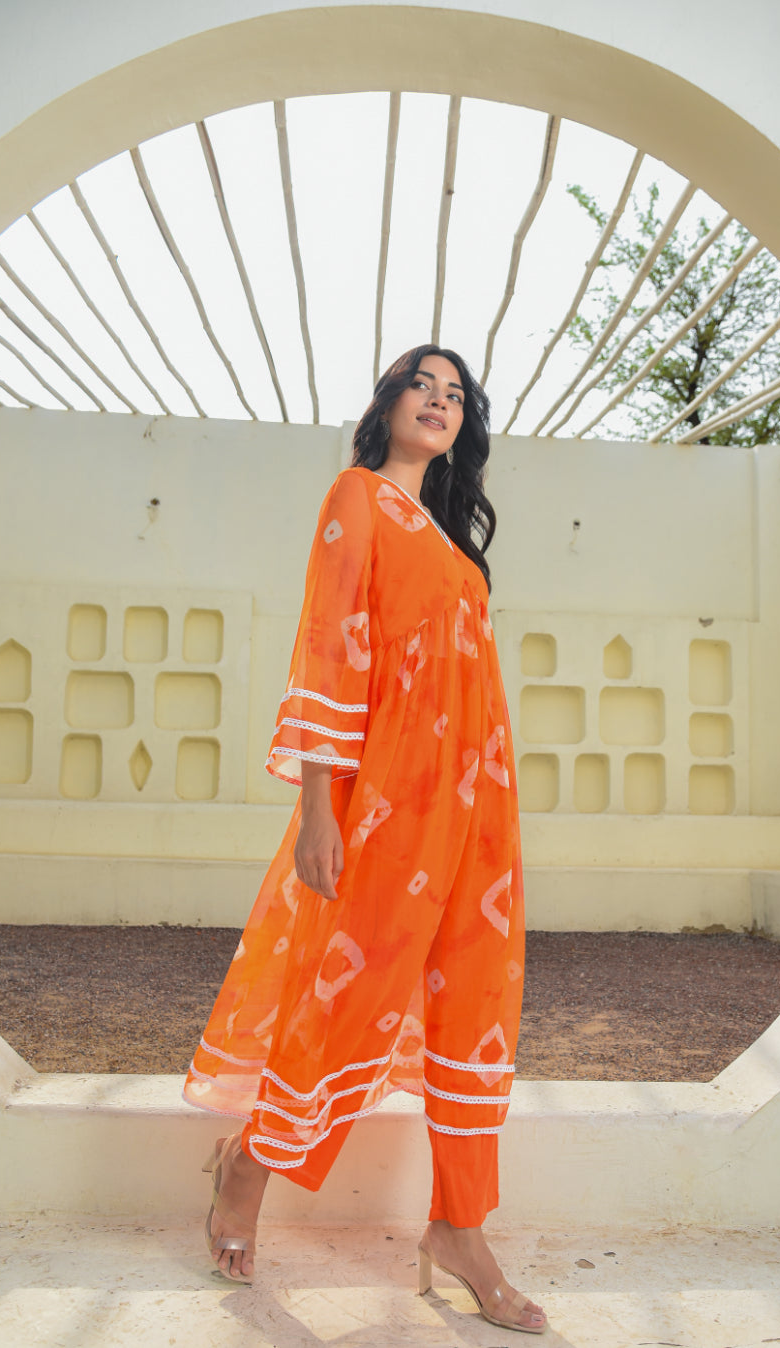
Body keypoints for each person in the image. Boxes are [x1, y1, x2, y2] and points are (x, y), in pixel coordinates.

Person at [185, 345, 546, 1335]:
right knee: (354, 992)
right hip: (390, 803)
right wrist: (316, 810)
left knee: (477, 1003)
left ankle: (460, 1228)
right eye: (421, 384)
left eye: (455, 394)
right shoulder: (357, 497)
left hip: (480, 808)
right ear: (387, 402)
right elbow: (330, 646)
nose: (439, 401)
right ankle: (246, 1169)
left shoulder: (444, 533)